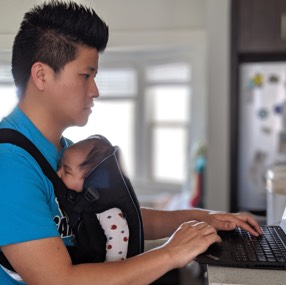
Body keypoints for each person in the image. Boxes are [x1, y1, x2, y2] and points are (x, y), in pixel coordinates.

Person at [0, 1, 262, 284]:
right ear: (41, 75)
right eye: (85, 75)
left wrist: (203, 218)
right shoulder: (10, 164)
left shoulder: (63, 150)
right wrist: (169, 254)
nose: (95, 90)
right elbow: (58, 280)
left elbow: (119, 216)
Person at [57, 134, 130, 262]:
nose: (58, 173)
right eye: (59, 166)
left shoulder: (107, 211)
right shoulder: (79, 201)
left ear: (91, 179)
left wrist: (109, 274)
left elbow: (118, 240)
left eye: (67, 171)